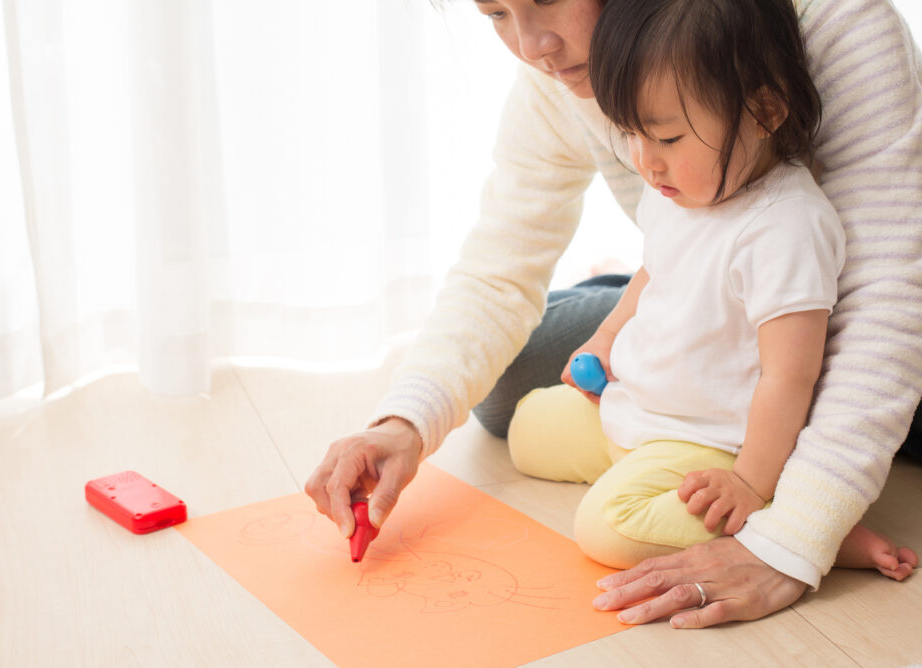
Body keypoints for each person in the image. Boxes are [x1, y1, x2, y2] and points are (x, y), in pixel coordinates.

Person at [306, 0, 922, 628]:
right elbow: (505, 266)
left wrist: (798, 530)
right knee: (505, 398)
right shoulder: (562, 81)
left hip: (838, 322)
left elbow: (888, 295)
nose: (532, 45)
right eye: (495, 14)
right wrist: (402, 424)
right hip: (713, 302)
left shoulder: (835, 25)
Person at [505, 0, 916, 583]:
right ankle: (637, 458)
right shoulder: (677, 188)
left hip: (707, 442)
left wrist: (752, 483)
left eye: (667, 137)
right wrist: (602, 341)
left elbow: (790, 377)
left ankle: (798, 518)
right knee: (526, 426)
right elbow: (652, 272)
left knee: (606, 527)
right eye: (630, 134)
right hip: (641, 407)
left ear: (765, 110)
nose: (645, 163)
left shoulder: (786, 226)